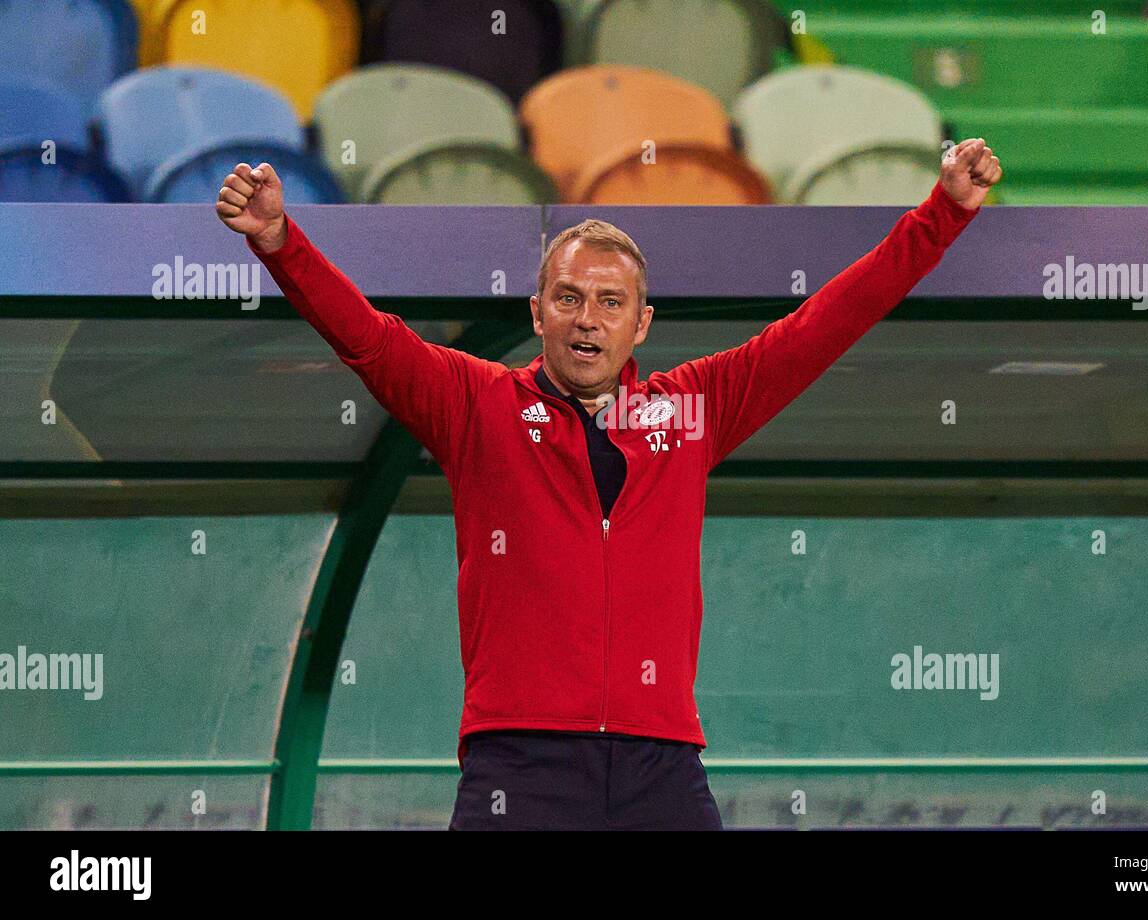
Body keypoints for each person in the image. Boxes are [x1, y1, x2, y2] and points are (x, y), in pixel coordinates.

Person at [216, 139, 1002, 830]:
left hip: (661, 762)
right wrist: (281, 242)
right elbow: (369, 339)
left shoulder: (694, 408)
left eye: (608, 302)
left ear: (641, 324)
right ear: (538, 312)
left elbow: (826, 323)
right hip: (518, 767)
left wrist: (944, 212)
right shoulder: (475, 405)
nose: (587, 319)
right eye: (568, 298)